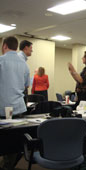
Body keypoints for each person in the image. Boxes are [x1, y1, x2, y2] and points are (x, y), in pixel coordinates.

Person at [0, 36, 30, 170]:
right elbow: (25, 85)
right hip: (18, 108)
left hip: (2, 107)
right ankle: (8, 165)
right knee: (13, 143)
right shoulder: (24, 64)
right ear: (16, 47)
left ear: (4, 46)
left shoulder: (1, 60)